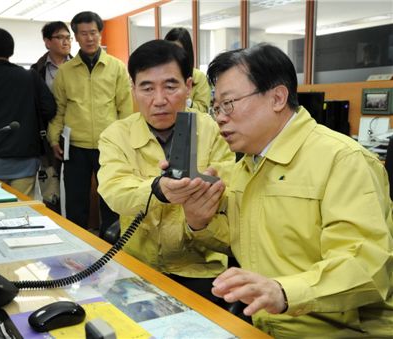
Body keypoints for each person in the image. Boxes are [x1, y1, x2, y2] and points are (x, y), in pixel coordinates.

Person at [159, 43, 393, 337]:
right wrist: (198, 220)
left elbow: (366, 269)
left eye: (228, 104)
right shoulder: (246, 165)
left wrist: (283, 291)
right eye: (216, 107)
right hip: (267, 324)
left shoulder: (343, 161)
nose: (219, 117)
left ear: (278, 98)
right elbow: (246, 242)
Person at [97, 40, 235, 305]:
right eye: (147, 88)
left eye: (171, 86)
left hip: (201, 267)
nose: (159, 100)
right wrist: (158, 190)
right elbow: (114, 191)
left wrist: (210, 188)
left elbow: (231, 186)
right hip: (138, 265)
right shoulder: (116, 135)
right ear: (133, 90)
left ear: (188, 86)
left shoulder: (215, 129)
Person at [48, 11, 133, 232]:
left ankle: (111, 248)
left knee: (111, 201)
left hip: (109, 145)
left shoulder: (116, 67)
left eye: (93, 32)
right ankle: (77, 245)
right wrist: (53, 139)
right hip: (75, 146)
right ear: (76, 37)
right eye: (84, 33)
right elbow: (59, 109)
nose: (89, 38)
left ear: (100, 34)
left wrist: (125, 140)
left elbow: (124, 107)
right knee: (76, 203)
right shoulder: (65, 72)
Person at [0, 28, 56, 197]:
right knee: (22, 211)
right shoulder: (30, 77)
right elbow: (49, 108)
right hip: (25, 155)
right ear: (10, 51)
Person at [31, 21, 73, 212]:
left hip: (74, 132)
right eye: (60, 37)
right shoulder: (36, 70)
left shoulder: (78, 67)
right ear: (47, 42)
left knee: (74, 184)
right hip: (47, 133)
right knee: (50, 182)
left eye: (68, 37)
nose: (65, 42)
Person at [164, 27, 211, 113]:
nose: (172, 54)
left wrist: (186, 101)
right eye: (168, 49)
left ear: (186, 52)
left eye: (177, 50)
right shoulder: (160, 76)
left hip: (189, 124)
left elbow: (204, 110)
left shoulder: (198, 77)